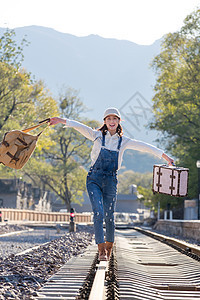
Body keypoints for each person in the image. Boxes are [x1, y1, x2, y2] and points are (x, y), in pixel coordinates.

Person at [50, 107, 174, 261]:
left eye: (114, 118)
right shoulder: (96, 135)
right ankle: (101, 250)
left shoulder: (124, 141)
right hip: (94, 179)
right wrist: (60, 120)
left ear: (119, 121)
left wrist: (165, 157)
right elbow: (78, 126)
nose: (111, 121)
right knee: (98, 213)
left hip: (111, 180)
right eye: (108, 119)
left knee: (109, 216)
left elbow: (144, 146)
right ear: (104, 122)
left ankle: (109, 248)